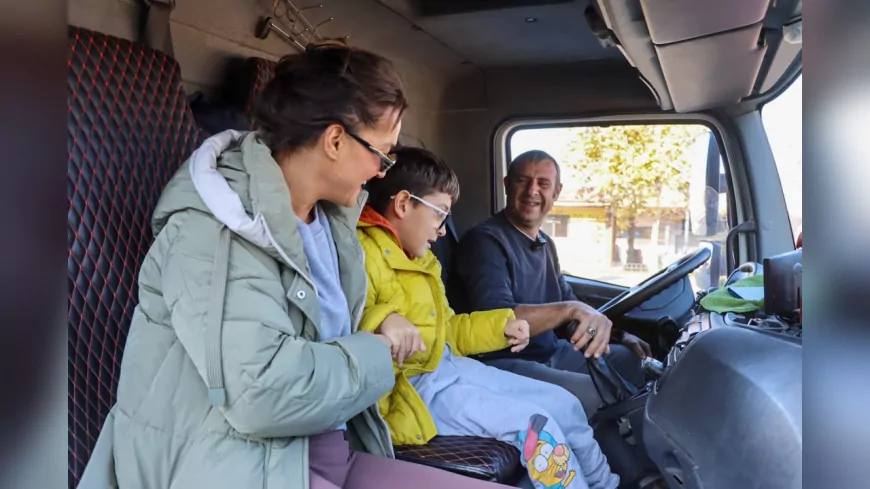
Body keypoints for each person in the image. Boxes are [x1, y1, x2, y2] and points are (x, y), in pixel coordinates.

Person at [78, 41, 514, 489]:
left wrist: (379, 323)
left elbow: (322, 331)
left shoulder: (332, 222)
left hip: (321, 449)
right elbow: (261, 394)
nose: (383, 171)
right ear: (335, 140)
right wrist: (376, 350)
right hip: (233, 465)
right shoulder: (212, 230)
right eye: (382, 155)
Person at [357, 147, 620, 489]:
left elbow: (448, 330)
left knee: (565, 404)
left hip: (448, 367)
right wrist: (383, 320)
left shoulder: (422, 261)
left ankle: (607, 485)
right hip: (410, 390)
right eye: (440, 214)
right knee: (536, 427)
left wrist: (502, 326)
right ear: (404, 204)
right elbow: (345, 323)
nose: (442, 231)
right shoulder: (360, 253)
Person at [451, 150, 650, 417]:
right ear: (507, 185)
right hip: (503, 361)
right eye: (523, 181)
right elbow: (498, 320)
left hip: (551, 352)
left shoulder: (545, 243)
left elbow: (570, 316)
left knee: (633, 361)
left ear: (556, 192)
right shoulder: (484, 242)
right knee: (599, 394)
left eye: (543, 184)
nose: (532, 191)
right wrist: (569, 309)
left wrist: (619, 336)